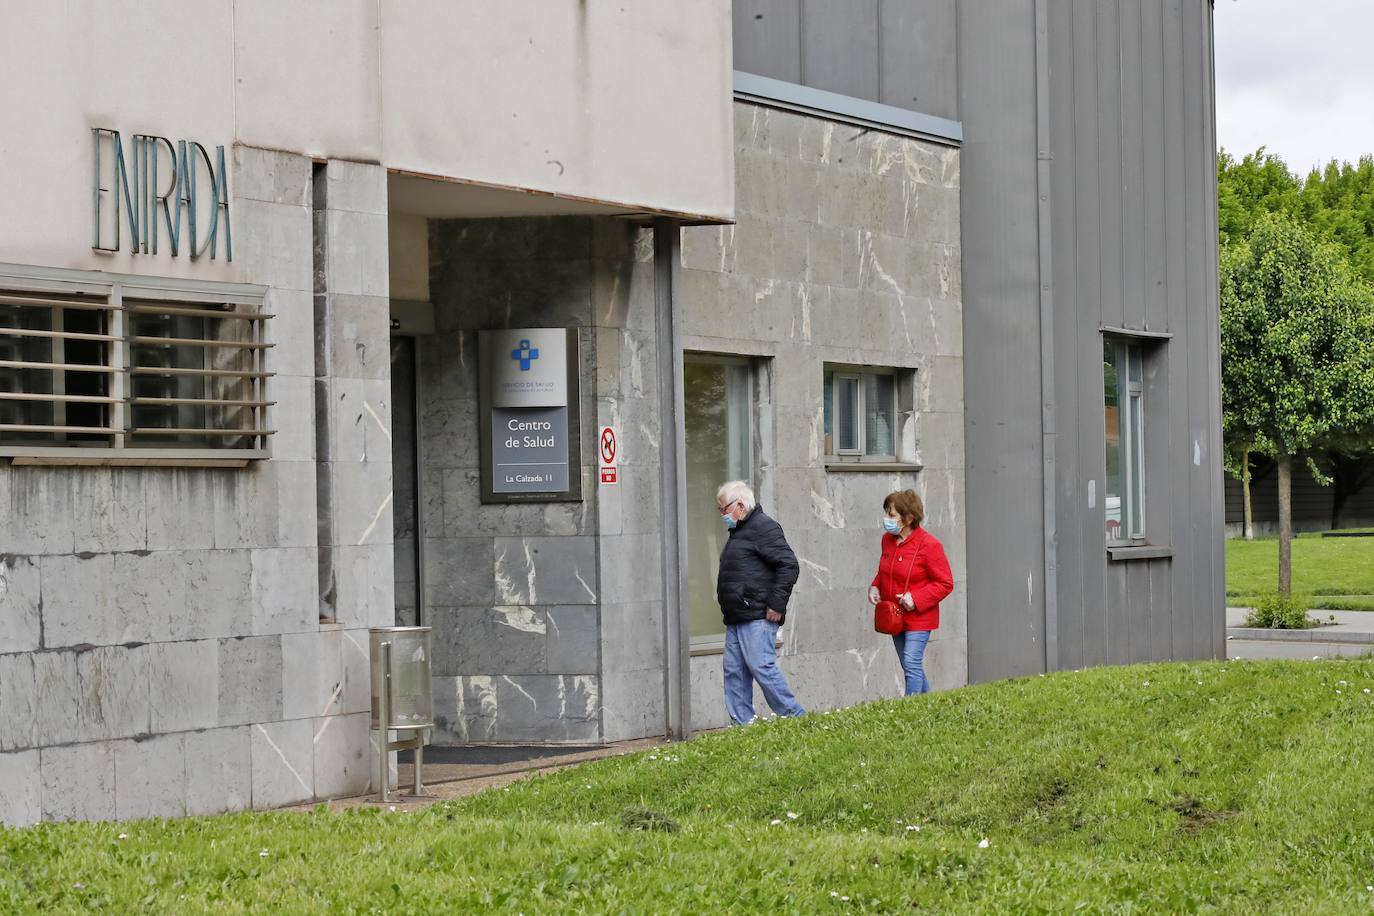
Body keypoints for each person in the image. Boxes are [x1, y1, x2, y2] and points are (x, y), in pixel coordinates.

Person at [715, 480, 805, 724]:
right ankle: (743, 724)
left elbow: (789, 565)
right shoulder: (740, 532)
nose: (722, 514)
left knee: (761, 667)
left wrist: (776, 604)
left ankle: (794, 717)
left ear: (740, 506)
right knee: (734, 672)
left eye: (724, 509)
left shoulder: (763, 528)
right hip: (737, 616)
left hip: (756, 615)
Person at [867, 489, 953, 696]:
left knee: (912, 662)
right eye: (886, 513)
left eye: (891, 515)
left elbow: (945, 583)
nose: (886, 519)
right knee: (908, 665)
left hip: (919, 617)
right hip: (894, 616)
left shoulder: (930, 545)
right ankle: (929, 705)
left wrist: (915, 598)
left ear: (909, 518)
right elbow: (884, 570)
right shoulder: (887, 540)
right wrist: (875, 585)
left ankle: (910, 710)